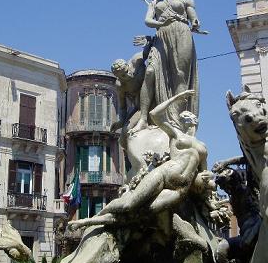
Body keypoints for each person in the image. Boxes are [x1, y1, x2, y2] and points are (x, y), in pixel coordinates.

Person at [68, 90, 207, 230]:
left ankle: (91, 222)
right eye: (182, 118)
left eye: (187, 118)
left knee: (141, 213)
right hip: (164, 174)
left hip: (180, 190)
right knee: (129, 204)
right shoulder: (176, 134)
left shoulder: (202, 147)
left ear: (195, 122)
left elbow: (204, 172)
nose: (183, 121)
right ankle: (89, 221)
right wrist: (176, 98)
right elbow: (154, 114)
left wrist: (208, 181)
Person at [130, 0, 200, 134]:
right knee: (150, 72)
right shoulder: (156, 3)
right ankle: (143, 118)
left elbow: (193, 16)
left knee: (180, 75)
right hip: (161, 37)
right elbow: (147, 20)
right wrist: (161, 23)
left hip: (182, 34)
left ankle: (177, 119)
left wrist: (196, 23)